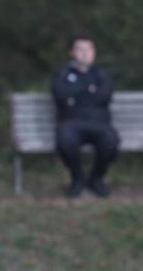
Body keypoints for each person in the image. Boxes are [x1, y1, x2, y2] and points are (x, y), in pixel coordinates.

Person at [51, 35, 120, 198]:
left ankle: (96, 179)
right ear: (72, 52)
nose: (84, 53)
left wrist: (74, 95)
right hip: (71, 123)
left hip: (99, 124)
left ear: (94, 52)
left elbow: (104, 97)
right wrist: (88, 88)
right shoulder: (63, 74)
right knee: (65, 141)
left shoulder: (102, 75)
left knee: (111, 142)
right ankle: (77, 179)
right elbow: (60, 96)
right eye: (80, 49)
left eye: (88, 49)